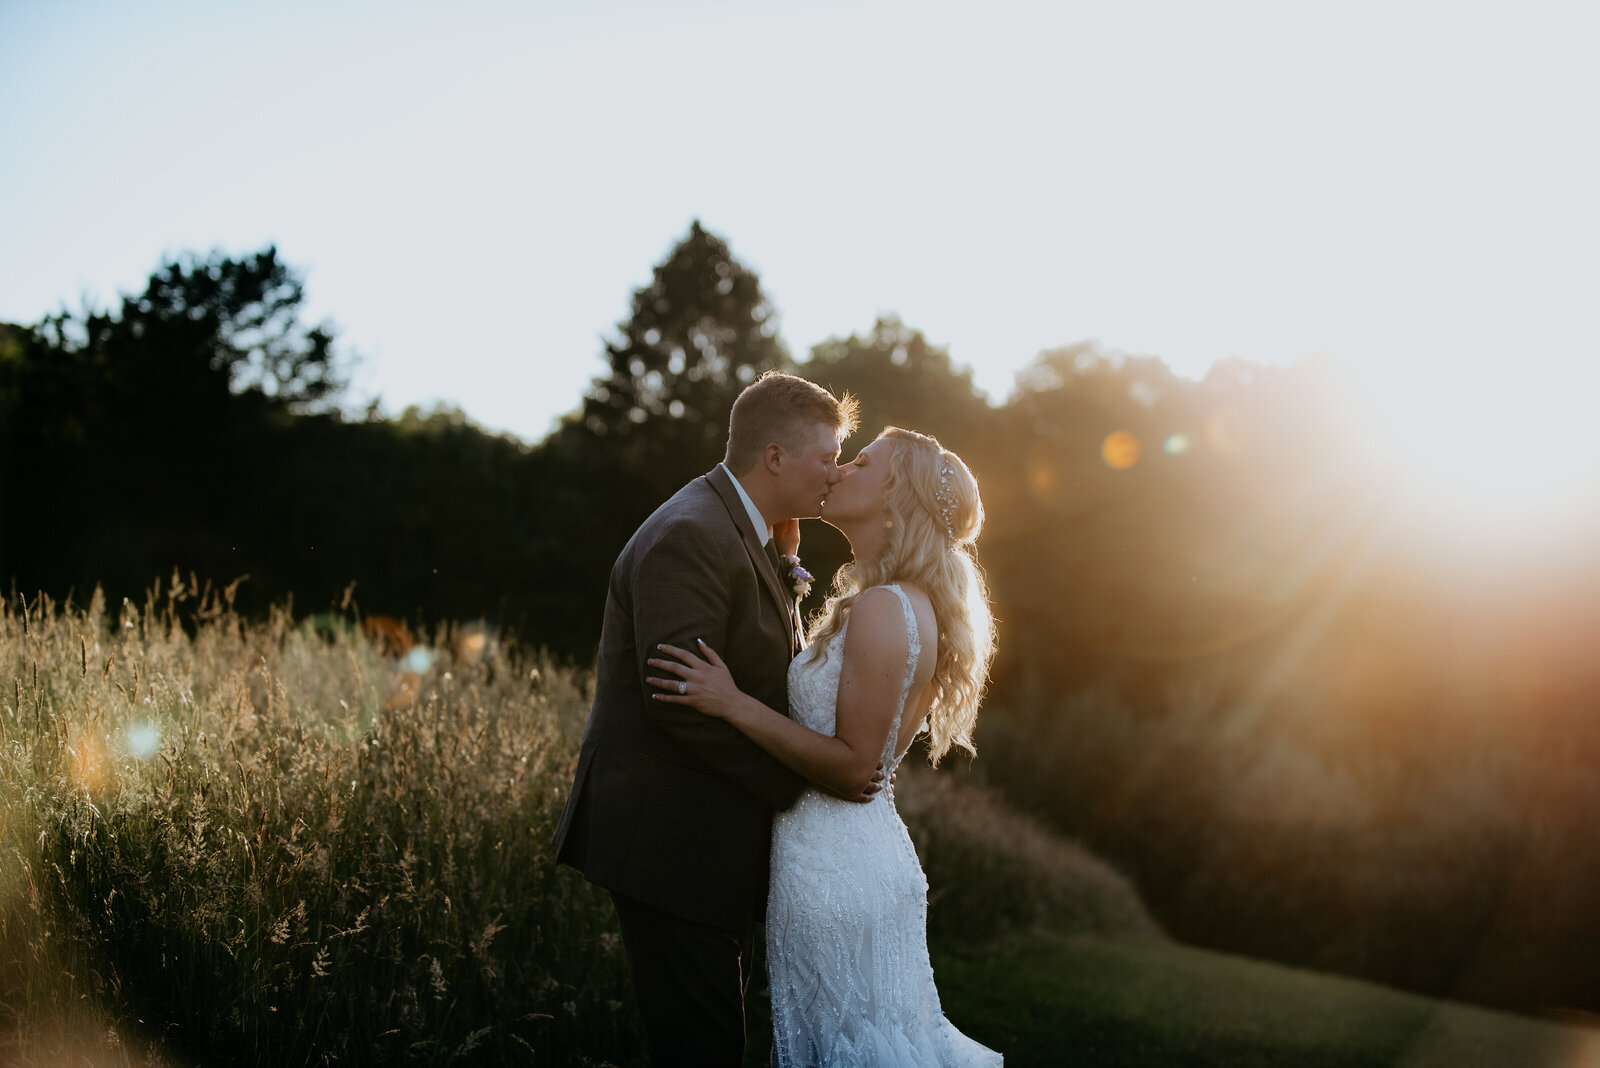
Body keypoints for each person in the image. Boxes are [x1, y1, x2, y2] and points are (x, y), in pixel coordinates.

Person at [647, 426, 1002, 1067]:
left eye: (862, 462)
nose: (839, 470)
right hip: (852, 857)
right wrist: (787, 572)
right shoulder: (895, 603)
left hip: (833, 869)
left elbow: (852, 768)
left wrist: (731, 703)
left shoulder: (884, 609)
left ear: (897, 497)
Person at [551, 371, 873, 1067]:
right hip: (670, 841)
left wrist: (787, 568)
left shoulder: (752, 531)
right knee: (704, 1047)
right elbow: (680, 703)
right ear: (775, 457)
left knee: (714, 1035)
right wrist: (798, 790)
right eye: (827, 456)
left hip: (710, 842)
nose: (836, 471)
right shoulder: (689, 535)